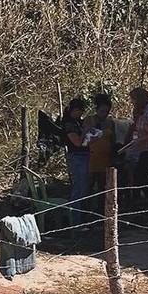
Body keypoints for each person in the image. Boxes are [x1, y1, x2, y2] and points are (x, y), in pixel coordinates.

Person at [60, 97, 90, 227]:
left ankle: (82, 219)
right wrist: (86, 131)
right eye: (80, 111)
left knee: (84, 188)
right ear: (75, 110)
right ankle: (75, 222)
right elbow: (77, 142)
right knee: (79, 188)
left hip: (85, 155)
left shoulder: (78, 122)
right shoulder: (68, 124)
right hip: (77, 157)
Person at [85, 94, 115, 198]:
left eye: (107, 112)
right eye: (102, 111)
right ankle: (86, 209)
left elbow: (113, 140)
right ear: (97, 109)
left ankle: (101, 209)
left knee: (103, 186)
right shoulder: (89, 120)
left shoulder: (110, 122)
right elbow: (86, 137)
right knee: (88, 186)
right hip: (92, 157)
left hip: (106, 158)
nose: (105, 114)